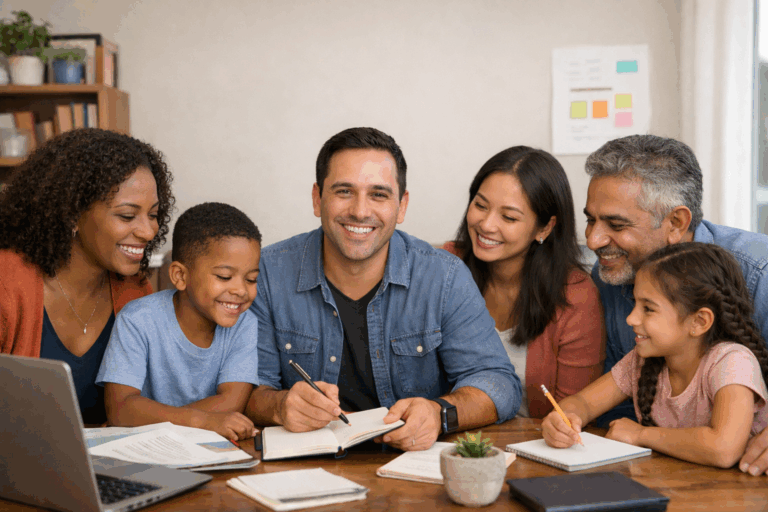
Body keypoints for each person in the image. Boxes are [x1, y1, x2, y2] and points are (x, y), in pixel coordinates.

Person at [246, 127, 521, 451]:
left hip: (413, 471)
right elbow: (248, 391)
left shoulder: (443, 276)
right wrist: (280, 406)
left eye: (378, 194)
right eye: (344, 191)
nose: (361, 211)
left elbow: (499, 384)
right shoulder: (267, 272)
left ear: (401, 206)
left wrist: (439, 413)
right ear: (317, 199)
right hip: (304, 469)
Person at [582, 134, 768, 475]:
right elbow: (613, 402)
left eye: (616, 224)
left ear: (676, 223)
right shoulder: (611, 271)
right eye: (591, 220)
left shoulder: (761, 273)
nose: (593, 240)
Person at [0, 128, 174, 424]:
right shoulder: (8, 281)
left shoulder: (135, 292)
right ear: (71, 214)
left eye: (154, 214)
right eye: (127, 216)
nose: (149, 231)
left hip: (104, 463)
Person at [542, 242, 768, 468]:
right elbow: (584, 402)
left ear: (699, 321)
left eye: (648, 309)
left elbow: (724, 449)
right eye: (634, 303)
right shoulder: (642, 361)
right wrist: (564, 418)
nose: (631, 319)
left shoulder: (732, 362)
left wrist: (641, 435)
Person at [443, 146, 604, 418]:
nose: (487, 225)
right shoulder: (446, 265)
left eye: (509, 217)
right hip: (454, 440)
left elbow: (571, 415)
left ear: (544, 228)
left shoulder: (575, 296)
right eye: (480, 205)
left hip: (539, 446)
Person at [96, 202, 261, 442]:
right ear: (180, 276)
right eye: (224, 277)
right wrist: (203, 421)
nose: (240, 290)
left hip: (208, 451)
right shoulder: (137, 320)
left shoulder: (244, 324)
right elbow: (121, 409)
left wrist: (145, 418)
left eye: (251, 279)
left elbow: (232, 402)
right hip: (143, 451)